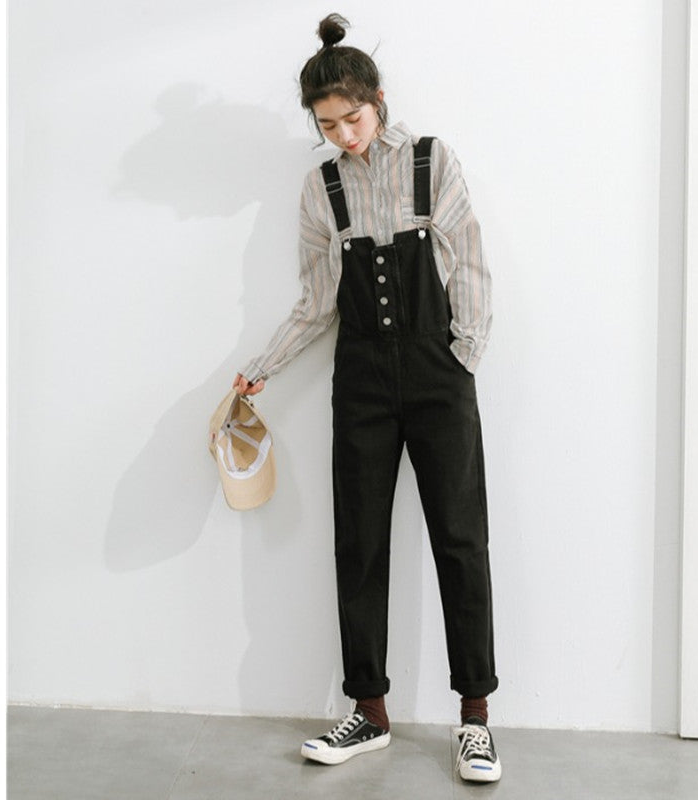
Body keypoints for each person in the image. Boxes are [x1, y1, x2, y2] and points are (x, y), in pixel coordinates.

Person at [232, 13, 501, 783]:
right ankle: (368, 711)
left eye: (352, 118)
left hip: (439, 374)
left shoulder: (429, 161)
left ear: (378, 102)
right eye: (328, 126)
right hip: (360, 384)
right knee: (359, 543)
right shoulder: (321, 188)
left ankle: (475, 719)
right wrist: (262, 367)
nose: (344, 136)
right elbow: (318, 300)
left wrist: (463, 356)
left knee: (460, 540)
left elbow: (470, 260)